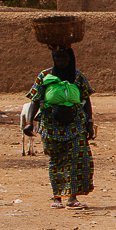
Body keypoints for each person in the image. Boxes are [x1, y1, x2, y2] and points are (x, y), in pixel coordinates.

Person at [24, 46, 95, 208]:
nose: (61, 61)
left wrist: (89, 123)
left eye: (65, 58)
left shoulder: (78, 77)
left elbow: (86, 100)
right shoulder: (44, 76)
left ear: (71, 59)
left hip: (75, 125)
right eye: (58, 58)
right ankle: (57, 197)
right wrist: (29, 122)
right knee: (57, 161)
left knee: (78, 159)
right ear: (53, 58)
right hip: (51, 125)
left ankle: (72, 198)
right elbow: (35, 100)